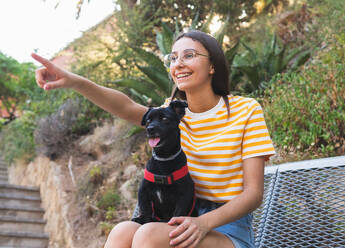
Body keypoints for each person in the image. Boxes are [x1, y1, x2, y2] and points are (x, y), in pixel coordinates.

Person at [32, 30, 275, 248]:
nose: (178, 64)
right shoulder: (173, 114)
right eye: (173, 58)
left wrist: (202, 223)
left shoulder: (246, 110)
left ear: (212, 65)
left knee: (148, 236)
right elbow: (126, 107)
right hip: (180, 215)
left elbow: (253, 194)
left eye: (189, 55)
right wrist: (75, 81)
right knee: (122, 232)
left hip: (227, 229)